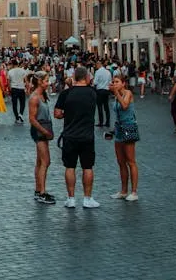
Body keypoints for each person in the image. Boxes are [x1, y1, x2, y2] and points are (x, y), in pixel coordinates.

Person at [53, 65, 99, 209]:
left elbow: (57, 114)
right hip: (87, 135)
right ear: (87, 77)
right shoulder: (92, 93)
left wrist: (68, 113)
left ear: (74, 77)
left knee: (70, 167)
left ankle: (71, 198)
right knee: (88, 167)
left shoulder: (66, 94)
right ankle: (87, 198)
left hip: (70, 135)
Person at [108, 73, 140, 201]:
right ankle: (123, 191)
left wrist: (116, 93)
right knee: (121, 161)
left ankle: (134, 192)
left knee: (131, 160)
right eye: (114, 82)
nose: (115, 84)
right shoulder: (117, 96)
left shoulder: (128, 93)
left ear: (123, 83)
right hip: (119, 128)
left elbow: (125, 105)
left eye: (117, 82)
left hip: (129, 127)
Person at [27, 73, 56, 204]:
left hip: (43, 128)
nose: (48, 83)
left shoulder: (42, 95)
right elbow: (32, 119)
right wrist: (45, 131)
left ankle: (38, 190)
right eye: (46, 81)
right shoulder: (34, 98)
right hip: (39, 131)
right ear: (39, 82)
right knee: (45, 161)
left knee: (40, 161)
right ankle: (42, 193)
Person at [92, 60, 113, 128]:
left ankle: (101, 122)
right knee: (106, 107)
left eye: (96, 65)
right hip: (106, 90)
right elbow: (110, 82)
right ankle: (107, 122)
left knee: (100, 107)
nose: (96, 67)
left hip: (99, 91)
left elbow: (95, 82)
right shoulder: (108, 72)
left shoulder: (97, 72)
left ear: (98, 65)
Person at [7, 59, 29, 124]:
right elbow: (26, 81)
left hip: (14, 88)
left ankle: (17, 118)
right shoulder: (23, 70)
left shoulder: (10, 71)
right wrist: (27, 89)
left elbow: (8, 82)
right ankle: (21, 114)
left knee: (14, 104)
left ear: (12, 64)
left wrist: (9, 89)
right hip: (21, 88)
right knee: (22, 103)